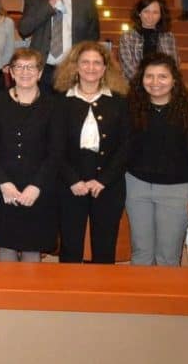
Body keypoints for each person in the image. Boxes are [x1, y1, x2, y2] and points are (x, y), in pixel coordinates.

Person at [0, 49, 63, 262]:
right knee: (5, 246)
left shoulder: (53, 105)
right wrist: (3, 182)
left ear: (40, 72)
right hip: (3, 186)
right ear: (11, 72)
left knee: (33, 248)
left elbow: (56, 151)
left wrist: (37, 186)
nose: (25, 72)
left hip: (39, 187)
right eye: (19, 67)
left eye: (31, 67)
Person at [53, 41, 130, 264]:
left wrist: (104, 180)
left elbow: (127, 145)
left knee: (105, 247)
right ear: (75, 66)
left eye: (97, 63)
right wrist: (73, 180)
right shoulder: (60, 101)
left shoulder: (119, 101)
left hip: (108, 184)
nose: (91, 67)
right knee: (70, 247)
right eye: (85, 62)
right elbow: (54, 147)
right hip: (69, 184)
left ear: (105, 68)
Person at [125, 54, 188, 266]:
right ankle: (140, 289)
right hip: (136, 187)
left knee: (167, 256)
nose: (155, 82)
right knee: (141, 253)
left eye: (162, 76)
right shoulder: (131, 108)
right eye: (149, 76)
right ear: (141, 79)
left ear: (174, 79)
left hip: (176, 191)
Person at [18, 0, 100, 88]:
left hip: (73, 68)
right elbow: (24, 29)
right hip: (42, 68)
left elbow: (93, 36)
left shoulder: (86, 0)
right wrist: (48, 7)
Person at [119, 0, 178, 80]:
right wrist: (147, 81)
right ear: (139, 13)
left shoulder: (168, 36)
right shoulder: (127, 37)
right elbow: (128, 67)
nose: (150, 16)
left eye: (155, 12)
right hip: (135, 83)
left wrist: (159, 81)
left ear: (161, 15)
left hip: (161, 83)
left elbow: (173, 64)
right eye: (146, 11)